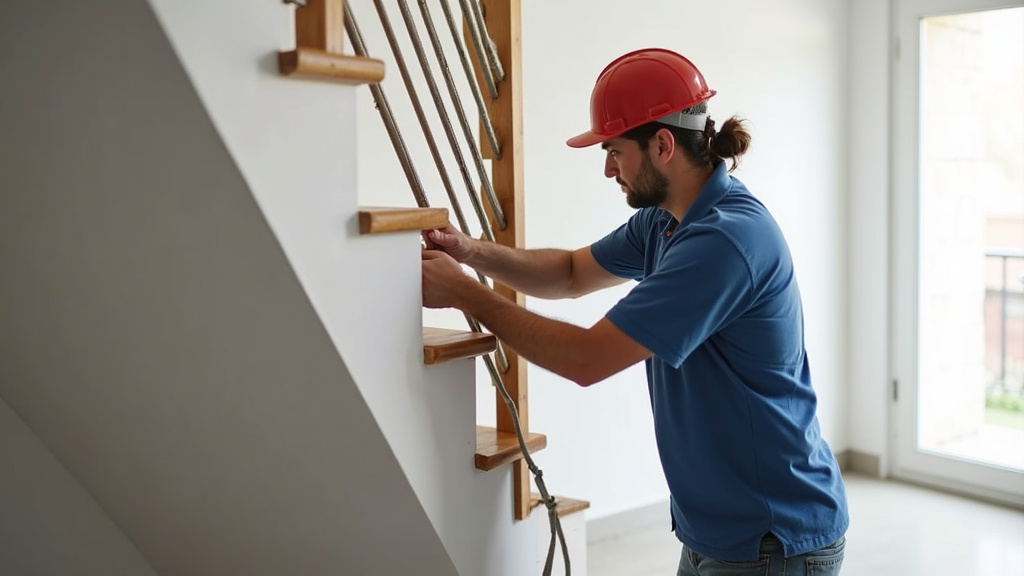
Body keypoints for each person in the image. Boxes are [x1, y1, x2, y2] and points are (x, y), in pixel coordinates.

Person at [421, 48, 848, 575]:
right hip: (716, 531)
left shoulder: (724, 241)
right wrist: (473, 253)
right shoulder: (667, 221)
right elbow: (572, 273)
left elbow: (587, 359)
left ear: (663, 144)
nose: (607, 169)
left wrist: (466, 294)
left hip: (772, 539)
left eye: (615, 151)